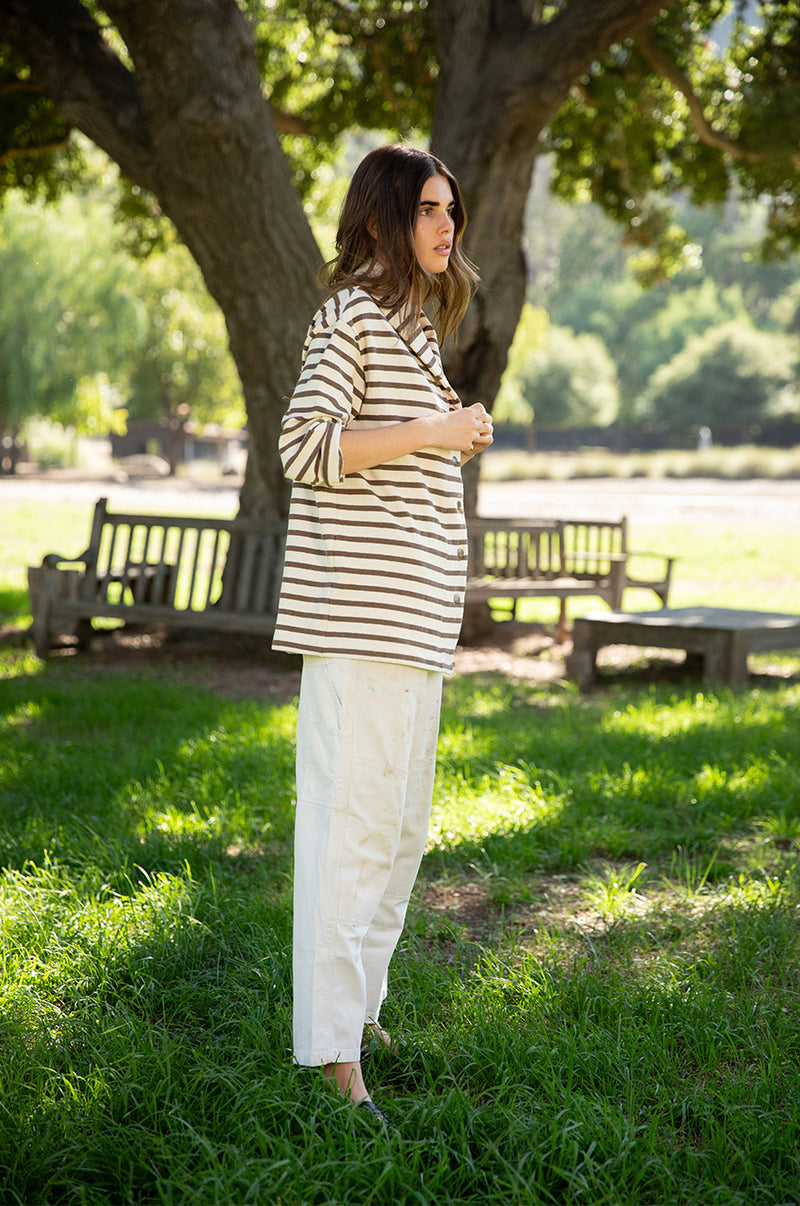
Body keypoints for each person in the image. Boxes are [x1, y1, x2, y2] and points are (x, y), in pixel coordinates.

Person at [271, 143, 493, 1129]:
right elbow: (305, 446)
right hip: (359, 631)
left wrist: (449, 425)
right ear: (380, 221)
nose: (447, 226)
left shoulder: (410, 333)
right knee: (348, 837)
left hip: (412, 630)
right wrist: (435, 433)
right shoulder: (348, 317)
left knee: (395, 834)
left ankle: (358, 1012)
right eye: (429, 210)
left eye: (452, 209)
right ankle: (330, 1056)